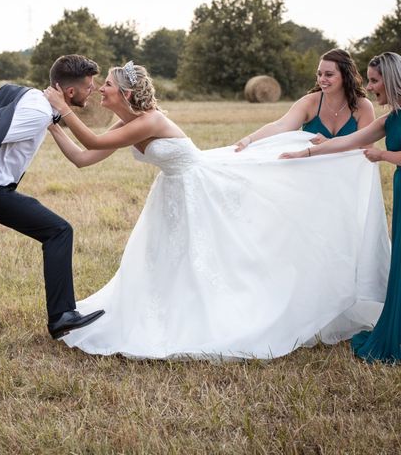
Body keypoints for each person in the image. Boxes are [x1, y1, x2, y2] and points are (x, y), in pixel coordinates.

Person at [42, 61, 389, 360]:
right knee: (166, 259)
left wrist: (64, 106)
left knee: (212, 260)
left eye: (108, 85)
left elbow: (93, 142)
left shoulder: (150, 120)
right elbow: (84, 158)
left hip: (200, 187)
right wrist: (54, 125)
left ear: (127, 94)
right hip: (172, 192)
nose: (101, 90)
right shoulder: (125, 123)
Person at [0, 54, 106, 346]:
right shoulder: (36, 113)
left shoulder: (20, 92)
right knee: (58, 230)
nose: (94, 91)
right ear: (70, 92)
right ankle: (61, 314)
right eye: (89, 87)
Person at [281, 52, 401, 363]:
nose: (371, 87)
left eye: (375, 81)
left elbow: (371, 151)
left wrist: (384, 157)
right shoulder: (390, 120)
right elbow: (351, 142)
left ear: (390, 80)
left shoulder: (375, 111)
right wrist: (305, 153)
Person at [234, 49, 374, 151]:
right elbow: (280, 126)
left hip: (349, 180)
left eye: (329, 74)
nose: (322, 79)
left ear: (345, 76)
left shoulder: (363, 107)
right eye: (319, 74)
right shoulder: (310, 103)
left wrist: (330, 145)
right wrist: (249, 140)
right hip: (310, 176)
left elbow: (367, 151)